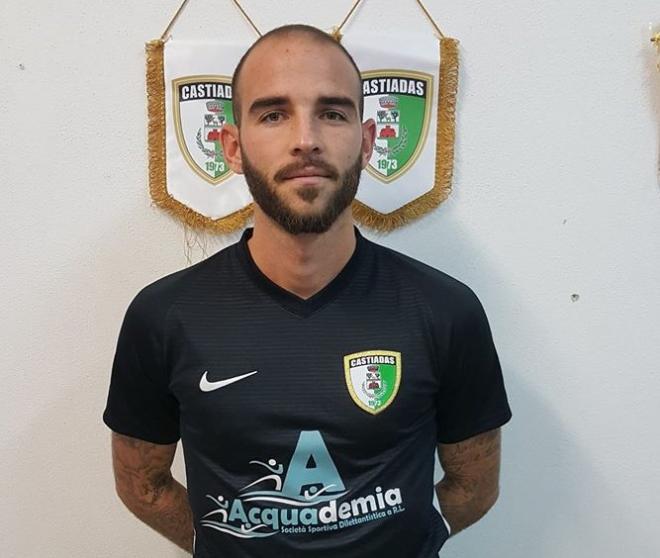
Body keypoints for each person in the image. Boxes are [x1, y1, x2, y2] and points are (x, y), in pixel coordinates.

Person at [103, 24, 512, 557]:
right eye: (273, 114)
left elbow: (473, 487)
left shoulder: (445, 310)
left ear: (366, 142)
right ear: (232, 145)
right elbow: (144, 485)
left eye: (333, 112)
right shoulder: (163, 316)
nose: (306, 139)